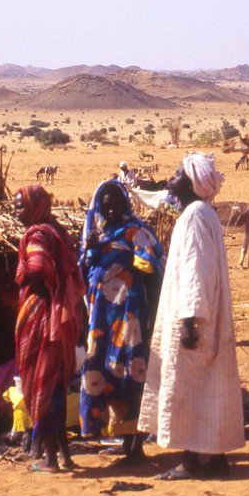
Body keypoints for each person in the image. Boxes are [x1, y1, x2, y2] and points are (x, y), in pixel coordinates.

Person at [139, 153, 244, 480]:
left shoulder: (197, 215)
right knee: (203, 388)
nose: (170, 178)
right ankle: (212, 459)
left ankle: (192, 461)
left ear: (192, 183)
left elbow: (198, 270)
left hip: (193, 318)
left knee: (189, 386)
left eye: (177, 174)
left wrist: (190, 321)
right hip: (197, 314)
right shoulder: (200, 213)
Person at [79, 179, 164, 464]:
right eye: (106, 204)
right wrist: (90, 251)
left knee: (131, 372)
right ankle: (115, 435)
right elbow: (83, 272)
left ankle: (135, 445)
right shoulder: (96, 236)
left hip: (130, 319)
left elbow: (154, 274)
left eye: (116, 202)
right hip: (101, 320)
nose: (111, 208)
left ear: (125, 203)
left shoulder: (137, 233)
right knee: (102, 371)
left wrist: (151, 318)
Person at [14, 184, 85, 473]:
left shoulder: (38, 234)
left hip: (43, 316)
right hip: (59, 318)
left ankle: (51, 459)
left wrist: (19, 274)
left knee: (42, 383)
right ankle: (64, 456)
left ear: (35, 206)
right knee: (55, 383)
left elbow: (38, 268)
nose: (15, 211)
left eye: (20, 206)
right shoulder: (57, 231)